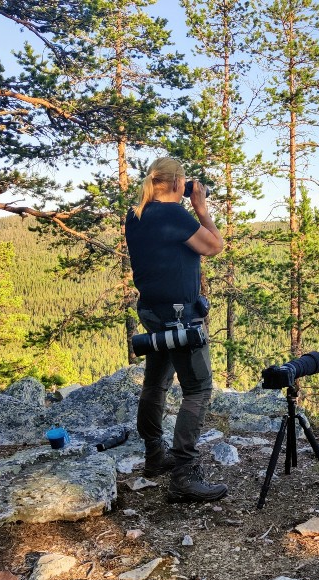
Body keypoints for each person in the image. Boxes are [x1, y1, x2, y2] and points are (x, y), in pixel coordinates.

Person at [125, 157, 227, 503]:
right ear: (175, 182)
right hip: (181, 315)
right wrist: (200, 207)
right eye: (183, 182)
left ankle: (155, 456)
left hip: (153, 312)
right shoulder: (173, 214)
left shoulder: (136, 214)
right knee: (198, 388)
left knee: (156, 382)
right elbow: (214, 246)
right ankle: (184, 474)